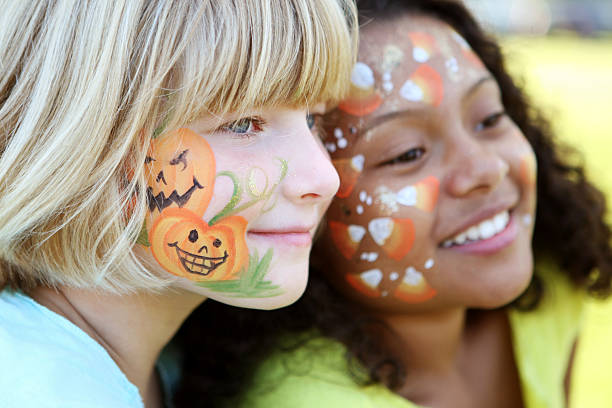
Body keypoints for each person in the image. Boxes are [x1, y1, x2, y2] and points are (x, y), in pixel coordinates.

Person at [172, 1, 612, 407]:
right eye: (406, 154)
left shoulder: (552, 290)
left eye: (490, 118)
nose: (485, 168)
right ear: (310, 202)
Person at [0, 1, 357, 407]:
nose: (325, 178)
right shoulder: (44, 392)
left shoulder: (152, 366)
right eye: (242, 124)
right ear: (80, 143)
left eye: (313, 119)